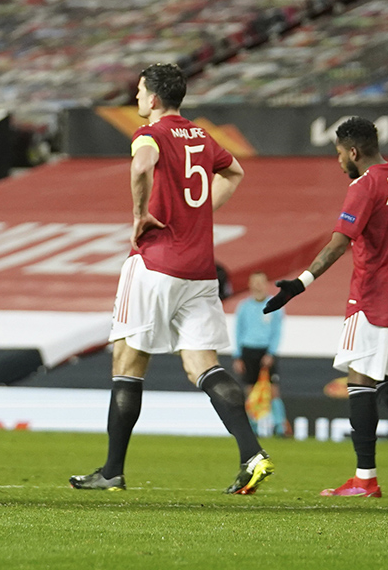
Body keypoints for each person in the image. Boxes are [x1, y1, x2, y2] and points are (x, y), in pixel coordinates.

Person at [70, 63, 272, 495]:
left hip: (156, 265)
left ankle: (112, 470)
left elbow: (142, 166)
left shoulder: (149, 135)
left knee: (128, 364)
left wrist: (140, 214)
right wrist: (199, 214)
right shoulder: (201, 136)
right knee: (203, 364)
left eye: (140, 92)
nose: (137, 99)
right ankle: (251, 453)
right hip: (200, 271)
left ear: (154, 98)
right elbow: (234, 171)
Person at [264, 117, 388, 498]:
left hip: (372, 296)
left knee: (360, 382)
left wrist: (300, 283)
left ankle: (371, 476)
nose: (339, 161)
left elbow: (338, 243)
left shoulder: (365, 185)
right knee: (377, 382)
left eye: (339, 154)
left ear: (354, 152)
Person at [231, 271, 286, 436]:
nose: (257, 286)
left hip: (266, 351)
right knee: (250, 390)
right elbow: (238, 332)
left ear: (266, 284)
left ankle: (280, 426)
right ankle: (252, 426)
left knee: (273, 390)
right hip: (248, 350)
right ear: (250, 285)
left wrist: (271, 353)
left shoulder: (275, 305)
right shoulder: (244, 306)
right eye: (254, 282)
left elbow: (277, 332)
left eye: (260, 282)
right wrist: (238, 356)